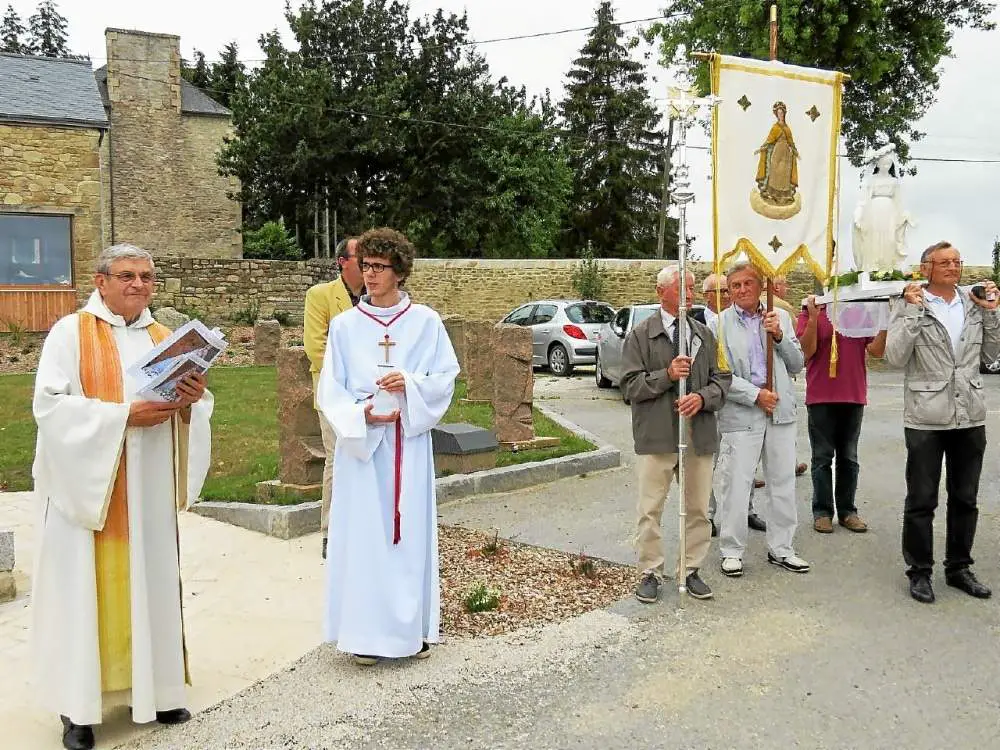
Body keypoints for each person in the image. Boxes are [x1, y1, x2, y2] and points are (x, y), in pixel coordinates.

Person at [30, 244, 213, 750]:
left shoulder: (164, 338)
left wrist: (191, 402)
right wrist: (124, 416)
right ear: (101, 281)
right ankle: (79, 709)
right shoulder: (70, 333)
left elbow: (191, 407)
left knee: (151, 582)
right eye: (127, 275)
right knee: (84, 591)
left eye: (147, 277)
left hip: (148, 489)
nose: (138, 285)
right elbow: (50, 407)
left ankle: (158, 690)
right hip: (91, 490)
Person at [317, 228, 459, 664]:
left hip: (406, 447)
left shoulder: (426, 322)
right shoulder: (344, 327)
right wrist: (361, 413)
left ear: (399, 270)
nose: (370, 274)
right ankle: (363, 635)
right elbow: (330, 390)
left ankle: (410, 631)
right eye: (365, 266)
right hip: (362, 450)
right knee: (364, 538)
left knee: (407, 536)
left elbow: (444, 379)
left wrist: (410, 385)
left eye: (379, 266)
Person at [884, 241, 1000, 604]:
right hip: (926, 417)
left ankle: (959, 567)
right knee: (922, 499)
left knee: (965, 498)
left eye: (956, 261)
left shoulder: (973, 303)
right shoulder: (907, 302)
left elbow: (992, 356)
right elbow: (895, 356)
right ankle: (920, 571)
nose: (952, 267)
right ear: (926, 268)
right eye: (944, 262)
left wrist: (993, 313)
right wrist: (912, 311)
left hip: (969, 415)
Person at [621, 265, 731, 602]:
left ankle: (691, 569)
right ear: (661, 292)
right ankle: (650, 571)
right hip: (657, 436)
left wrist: (702, 398)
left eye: (693, 287)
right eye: (683, 287)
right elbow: (629, 386)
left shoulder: (704, 334)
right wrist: (666, 375)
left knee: (698, 508)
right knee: (650, 508)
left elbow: (722, 380)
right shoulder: (641, 335)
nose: (690, 294)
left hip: (697, 435)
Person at [713, 261, 809, 577]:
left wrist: (779, 336)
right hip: (742, 413)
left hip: (779, 412)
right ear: (729, 291)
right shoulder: (719, 324)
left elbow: (796, 364)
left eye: (747, 283)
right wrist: (755, 395)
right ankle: (732, 550)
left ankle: (782, 548)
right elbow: (719, 373)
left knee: (782, 482)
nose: (742, 290)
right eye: (735, 286)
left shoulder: (779, 317)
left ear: (760, 285)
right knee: (736, 483)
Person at [797, 295, 886, 534]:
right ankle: (822, 512)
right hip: (820, 395)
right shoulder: (811, 309)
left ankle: (848, 511)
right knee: (822, 458)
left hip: (852, 394)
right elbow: (806, 352)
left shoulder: (861, 310)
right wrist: (813, 319)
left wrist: (885, 323)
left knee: (849, 457)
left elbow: (876, 351)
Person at [304, 236, 365, 559]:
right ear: (342, 262)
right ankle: (331, 530)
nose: (368, 264)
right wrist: (356, 379)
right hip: (334, 394)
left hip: (371, 396)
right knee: (338, 459)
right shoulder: (321, 296)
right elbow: (316, 348)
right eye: (360, 257)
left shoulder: (375, 298)